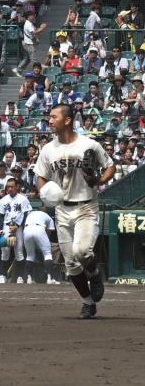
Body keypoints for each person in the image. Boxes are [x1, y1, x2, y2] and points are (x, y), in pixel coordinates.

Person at [35, 104, 115, 319]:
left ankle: (94, 272)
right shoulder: (48, 149)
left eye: (53, 117)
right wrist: (44, 191)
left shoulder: (89, 144)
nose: (49, 120)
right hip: (62, 209)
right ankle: (88, 303)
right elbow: (40, 177)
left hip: (86, 206)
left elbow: (110, 166)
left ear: (67, 120)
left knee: (82, 251)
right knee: (71, 263)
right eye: (48, 117)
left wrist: (100, 180)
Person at [0, 177, 32, 284]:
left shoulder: (23, 199)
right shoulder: (3, 200)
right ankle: (2, 275)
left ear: (17, 187)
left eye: (12, 186)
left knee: (19, 252)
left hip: (18, 227)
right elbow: (1, 216)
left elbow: (26, 214)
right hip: (6, 227)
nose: (10, 189)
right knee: (5, 251)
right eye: (8, 187)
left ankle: (20, 276)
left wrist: (18, 225)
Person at [20, 205, 61, 284]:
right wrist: (43, 244)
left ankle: (29, 279)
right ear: (45, 211)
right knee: (47, 254)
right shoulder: (47, 216)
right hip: (39, 229)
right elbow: (48, 233)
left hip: (26, 230)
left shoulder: (30, 214)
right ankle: (50, 278)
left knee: (30, 255)